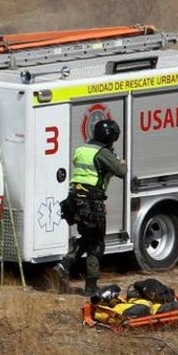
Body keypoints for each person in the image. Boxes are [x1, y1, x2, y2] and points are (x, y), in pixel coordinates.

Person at [55, 119, 127, 297]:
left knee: (87, 238)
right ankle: (91, 287)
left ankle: (64, 264)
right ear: (109, 138)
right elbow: (121, 172)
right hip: (91, 201)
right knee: (96, 244)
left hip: (74, 200)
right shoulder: (103, 153)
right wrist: (121, 162)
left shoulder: (81, 150)